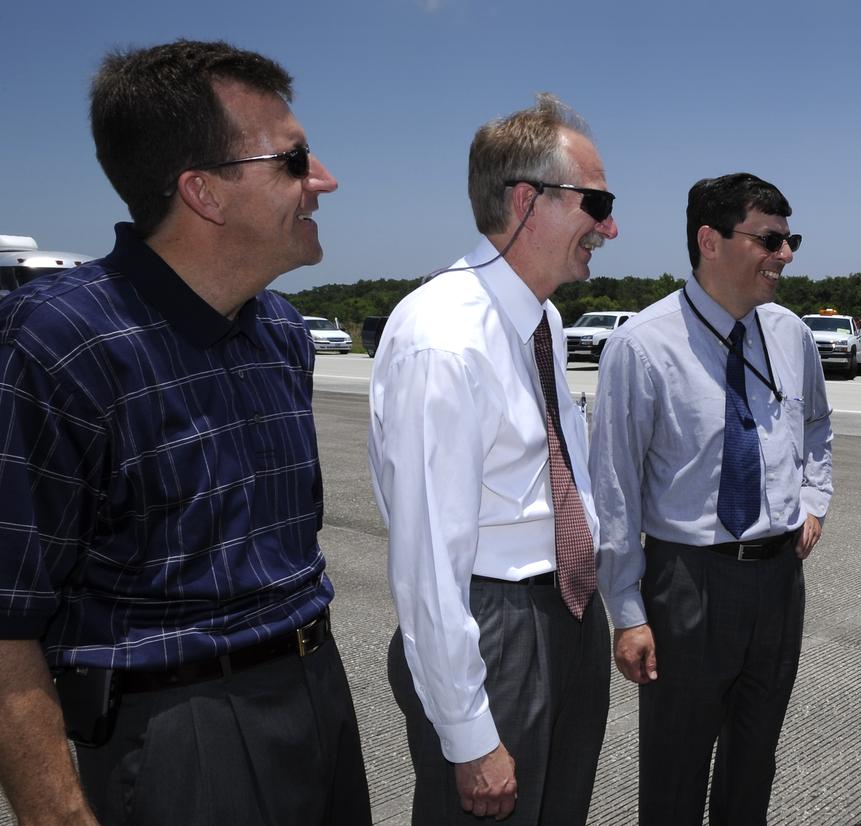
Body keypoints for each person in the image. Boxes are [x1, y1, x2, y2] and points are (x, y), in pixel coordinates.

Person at [0, 40, 369, 825]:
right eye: (296, 160)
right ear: (204, 192)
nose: (325, 181)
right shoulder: (59, 342)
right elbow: (6, 620)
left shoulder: (280, 330)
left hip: (318, 694)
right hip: (182, 736)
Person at [369, 93, 617, 826]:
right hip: (495, 627)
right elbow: (426, 568)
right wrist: (470, 735)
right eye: (595, 202)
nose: (609, 227)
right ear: (525, 200)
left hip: (569, 612)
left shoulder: (541, 317)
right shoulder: (443, 338)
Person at [590, 172, 834, 826]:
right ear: (710, 240)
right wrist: (628, 608)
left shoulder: (790, 335)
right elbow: (613, 485)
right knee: (675, 770)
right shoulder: (642, 345)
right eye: (770, 239)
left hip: (780, 581)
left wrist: (813, 498)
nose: (785, 255)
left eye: (791, 240)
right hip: (687, 581)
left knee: (754, 763)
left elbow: (815, 425)